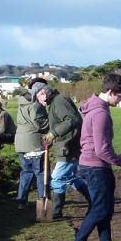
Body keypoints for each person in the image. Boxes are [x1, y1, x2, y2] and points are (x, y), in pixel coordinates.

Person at [67, 74, 121, 241]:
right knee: (100, 209)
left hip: (93, 165)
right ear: (111, 92)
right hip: (96, 167)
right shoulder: (100, 114)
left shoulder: (97, 107)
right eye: (120, 96)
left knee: (104, 210)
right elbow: (102, 149)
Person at [36, 83, 86, 219]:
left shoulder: (59, 101)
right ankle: (94, 201)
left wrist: (53, 133)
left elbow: (73, 120)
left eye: (37, 98)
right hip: (66, 145)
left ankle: (56, 213)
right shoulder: (55, 102)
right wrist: (52, 136)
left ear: (43, 94)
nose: (38, 102)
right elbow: (61, 123)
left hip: (69, 147)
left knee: (57, 180)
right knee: (70, 178)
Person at [13, 79, 50, 209]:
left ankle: (21, 201)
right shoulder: (35, 105)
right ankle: (42, 201)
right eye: (43, 93)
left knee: (26, 172)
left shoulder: (22, 103)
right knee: (40, 173)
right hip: (33, 144)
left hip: (20, 143)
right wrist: (51, 126)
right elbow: (39, 122)